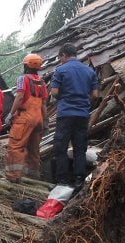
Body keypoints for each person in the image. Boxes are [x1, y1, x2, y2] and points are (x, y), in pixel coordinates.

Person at [50, 42, 99, 188]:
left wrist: (65, 98)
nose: (60, 61)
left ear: (64, 55)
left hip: (65, 114)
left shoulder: (60, 70)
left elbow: (54, 92)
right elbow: (95, 94)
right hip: (82, 114)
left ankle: (63, 181)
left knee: (61, 147)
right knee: (80, 148)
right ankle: (79, 180)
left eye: (60, 58)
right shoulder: (89, 71)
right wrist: (83, 101)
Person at [4, 53, 48, 182]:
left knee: (15, 146)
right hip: (38, 118)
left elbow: (20, 97)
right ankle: (33, 175)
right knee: (34, 149)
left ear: (27, 65)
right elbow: (44, 104)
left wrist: (11, 114)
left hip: (24, 118)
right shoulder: (42, 82)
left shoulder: (23, 79)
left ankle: (13, 176)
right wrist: (45, 122)